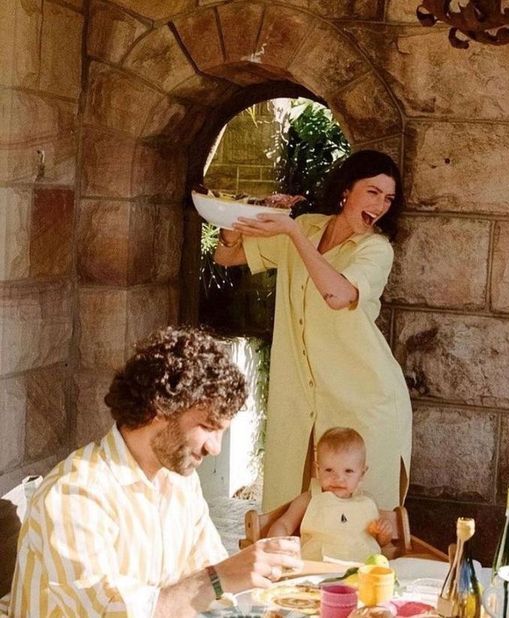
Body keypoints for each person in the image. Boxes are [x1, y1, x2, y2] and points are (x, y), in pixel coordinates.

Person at [4, 327, 302, 618]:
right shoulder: (73, 494)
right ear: (160, 407)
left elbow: (210, 580)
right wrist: (220, 577)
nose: (216, 448)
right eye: (208, 427)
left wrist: (244, 579)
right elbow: (115, 613)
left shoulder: (180, 480)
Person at [214, 150, 412, 512]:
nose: (381, 205)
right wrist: (237, 220)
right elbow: (227, 257)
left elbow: (337, 294)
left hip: (364, 401)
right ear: (346, 191)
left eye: (388, 198)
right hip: (303, 399)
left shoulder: (375, 249)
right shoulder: (307, 227)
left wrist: (292, 232)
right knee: (292, 512)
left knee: (361, 519)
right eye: (372, 192)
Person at [268, 427, 393, 562]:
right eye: (329, 470)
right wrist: (277, 548)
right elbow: (284, 524)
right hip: (319, 567)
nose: (338, 478)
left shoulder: (367, 502)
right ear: (318, 469)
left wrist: (384, 533)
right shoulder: (309, 499)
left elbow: (380, 542)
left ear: (362, 473)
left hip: (363, 569)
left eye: (348, 471)